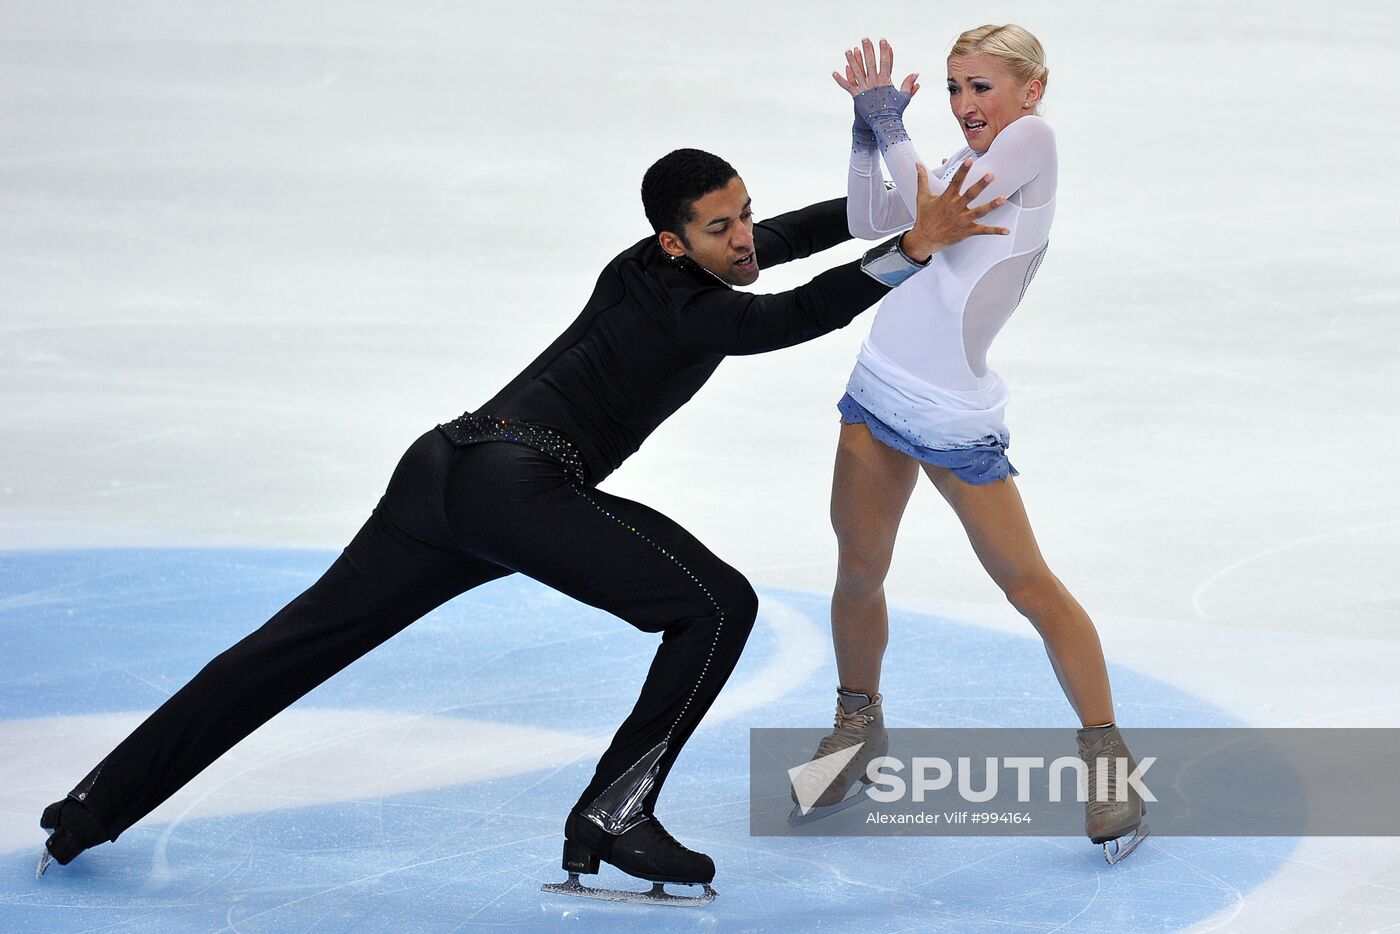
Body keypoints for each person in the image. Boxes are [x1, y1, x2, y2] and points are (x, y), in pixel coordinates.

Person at [37, 146, 1011, 902]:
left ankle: (94, 806)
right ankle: (611, 810)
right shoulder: (700, 312)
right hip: (518, 487)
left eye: (743, 213)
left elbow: (783, 244)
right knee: (716, 606)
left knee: (286, 649)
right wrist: (910, 249)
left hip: (443, 472)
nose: (743, 237)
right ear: (676, 243)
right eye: (721, 228)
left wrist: (877, 213)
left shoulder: (645, 261)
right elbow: (788, 315)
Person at [791, 28, 1148, 863]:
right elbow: (873, 218)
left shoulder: (1034, 143)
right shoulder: (954, 162)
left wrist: (890, 124)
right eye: (953, 88)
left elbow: (933, 223)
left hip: (953, 412)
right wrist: (864, 133)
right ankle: (856, 729)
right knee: (856, 571)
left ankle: (1108, 761)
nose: (964, 105)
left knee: (1028, 583)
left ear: (1032, 89)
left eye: (981, 86)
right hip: (879, 388)